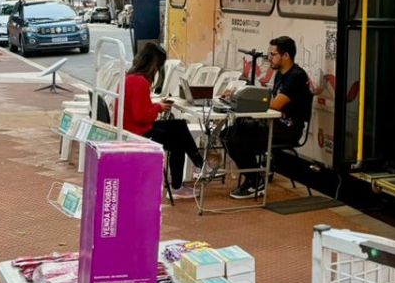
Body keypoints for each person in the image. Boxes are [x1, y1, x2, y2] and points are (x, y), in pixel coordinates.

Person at [223, 36, 312, 199]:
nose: (269, 58)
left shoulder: (296, 76)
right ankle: (254, 177)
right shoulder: (280, 74)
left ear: (286, 55)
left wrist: (243, 98)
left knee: (237, 138)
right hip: (273, 124)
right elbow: (268, 100)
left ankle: (256, 181)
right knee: (227, 133)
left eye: (273, 54)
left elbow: (276, 104)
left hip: (288, 129)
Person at [122, 41, 204, 199]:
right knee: (179, 134)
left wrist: (156, 106)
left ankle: (197, 166)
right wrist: (158, 108)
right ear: (153, 64)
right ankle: (197, 166)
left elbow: (138, 109)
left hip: (131, 130)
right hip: (139, 133)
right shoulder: (140, 82)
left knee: (179, 128)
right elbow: (141, 116)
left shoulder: (130, 78)